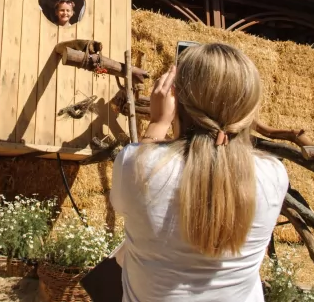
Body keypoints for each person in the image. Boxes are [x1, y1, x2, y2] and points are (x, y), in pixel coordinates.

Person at [110, 43, 289, 302]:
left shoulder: (136, 163)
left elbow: (142, 172)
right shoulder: (274, 174)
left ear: (176, 99)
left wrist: (158, 123)